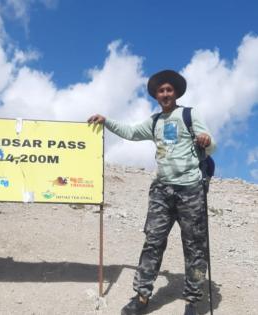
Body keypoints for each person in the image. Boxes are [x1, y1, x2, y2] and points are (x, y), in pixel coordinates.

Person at [88, 70, 216, 315]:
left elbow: (212, 145)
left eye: (169, 89)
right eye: (161, 90)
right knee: (153, 243)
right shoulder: (155, 121)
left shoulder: (189, 115)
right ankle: (142, 296)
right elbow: (131, 132)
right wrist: (106, 121)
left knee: (195, 247)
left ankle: (193, 300)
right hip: (162, 190)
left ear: (176, 92)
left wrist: (205, 139)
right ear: (156, 95)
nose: (165, 94)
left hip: (191, 189)